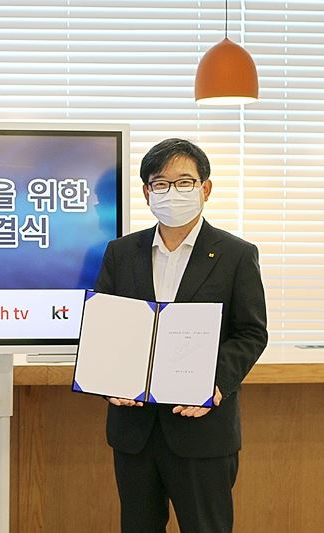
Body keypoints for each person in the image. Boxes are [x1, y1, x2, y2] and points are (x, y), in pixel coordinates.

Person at [94, 138, 268, 532]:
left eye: (185, 182)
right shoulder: (121, 252)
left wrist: (214, 383)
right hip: (134, 428)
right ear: (147, 193)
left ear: (205, 188)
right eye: (161, 183)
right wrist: (108, 382)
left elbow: (251, 332)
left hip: (202, 428)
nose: (172, 192)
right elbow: (104, 327)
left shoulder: (236, 254)